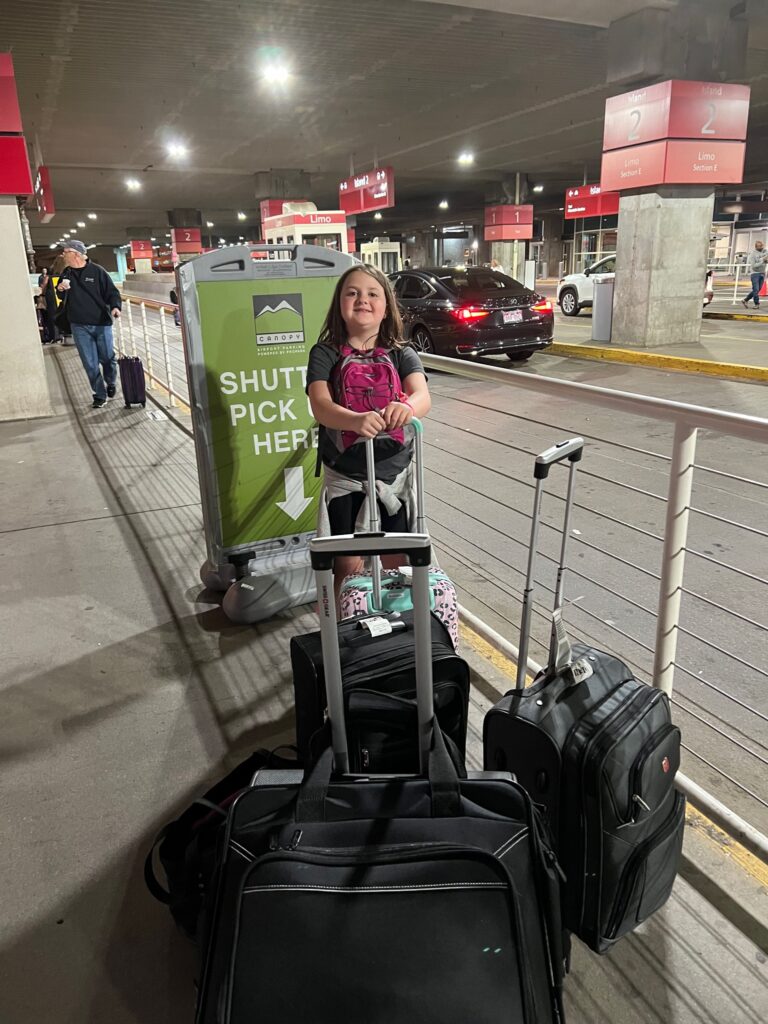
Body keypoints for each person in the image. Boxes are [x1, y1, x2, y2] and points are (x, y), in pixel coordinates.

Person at [307, 265, 431, 603]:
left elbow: (422, 396)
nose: (363, 300)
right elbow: (320, 405)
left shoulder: (402, 353)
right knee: (347, 566)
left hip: (394, 477)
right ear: (340, 305)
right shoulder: (325, 353)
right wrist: (354, 421)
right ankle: (343, 634)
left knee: (396, 563)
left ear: (387, 306)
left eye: (372, 294)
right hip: (347, 476)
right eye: (352, 293)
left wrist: (406, 409)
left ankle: (391, 628)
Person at [57, 240, 122, 408]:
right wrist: (61, 289)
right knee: (90, 363)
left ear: (77, 254)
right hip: (78, 325)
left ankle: (111, 381)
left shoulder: (97, 272)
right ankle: (99, 394)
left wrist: (115, 307)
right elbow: (61, 294)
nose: (63, 255)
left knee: (108, 358)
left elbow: (112, 292)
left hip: (101, 324)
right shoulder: (66, 273)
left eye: (66, 252)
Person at [741, 241, 768, 308]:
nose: (761, 247)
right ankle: (757, 304)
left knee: (758, 290)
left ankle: (745, 300)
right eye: (759, 246)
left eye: (762, 246)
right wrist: (763, 261)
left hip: (762, 273)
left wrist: (766, 260)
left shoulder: (765, 251)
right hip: (755, 274)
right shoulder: (752, 254)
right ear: (756, 247)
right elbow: (753, 266)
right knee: (756, 289)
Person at [36, 266, 58, 344]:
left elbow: (43, 287)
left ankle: (52, 336)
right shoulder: (58, 277)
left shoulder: (48, 277)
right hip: (57, 299)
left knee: (50, 318)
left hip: (49, 298)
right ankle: (59, 336)